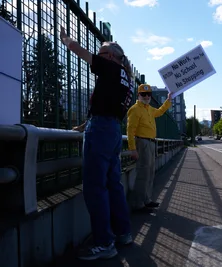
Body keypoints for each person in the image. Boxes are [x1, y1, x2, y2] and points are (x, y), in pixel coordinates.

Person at [60, 26, 133, 260]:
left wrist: (67, 39)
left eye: (100, 53)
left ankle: (104, 242)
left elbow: (80, 52)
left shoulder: (110, 67)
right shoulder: (127, 79)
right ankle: (123, 233)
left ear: (110, 56)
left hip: (101, 132)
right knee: (113, 184)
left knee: (94, 187)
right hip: (112, 131)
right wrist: (84, 126)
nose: (97, 57)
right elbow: (107, 105)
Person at [126, 84, 171, 212]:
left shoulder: (149, 109)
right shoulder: (135, 109)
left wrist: (168, 100)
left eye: (148, 94)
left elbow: (160, 111)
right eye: (143, 94)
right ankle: (138, 203)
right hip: (142, 142)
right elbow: (130, 130)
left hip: (151, 143)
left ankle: (146, 200)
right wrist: (132, 148)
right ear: (138, 95)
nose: (146, 96)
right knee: (143, 173)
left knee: (150, 172)